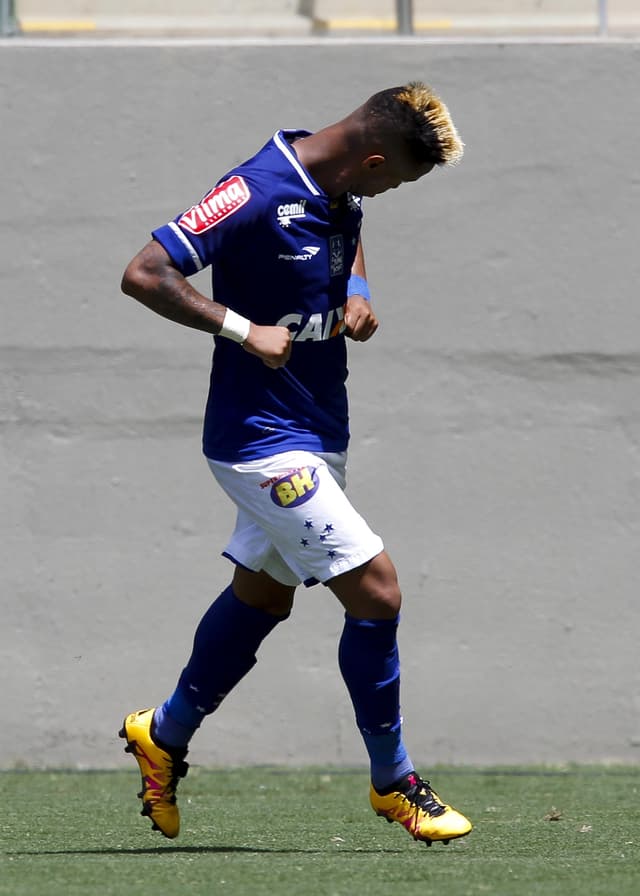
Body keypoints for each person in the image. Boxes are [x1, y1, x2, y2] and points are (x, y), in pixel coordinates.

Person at [119, 81, 471, 847]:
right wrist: (243, 328)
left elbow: (348, 230)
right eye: (394, 179)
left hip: (318, 429)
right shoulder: (255, 188)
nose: (387, 192)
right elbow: (144, 272)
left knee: (263, 597)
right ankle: (395, 782)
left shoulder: (341, 187)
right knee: (377, 590)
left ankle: (164, 734)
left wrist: (359, 287)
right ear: (372, 158)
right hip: (257, 441)